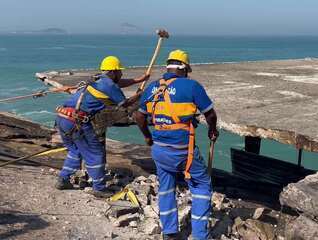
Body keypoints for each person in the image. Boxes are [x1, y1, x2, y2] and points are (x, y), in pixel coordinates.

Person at [134, 49, 219, 240]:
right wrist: (212, 130)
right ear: (185, 68)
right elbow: (210, 114)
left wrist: (148, 137)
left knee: (166, 188)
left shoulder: (153, 87)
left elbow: (139, 116)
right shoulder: (191, 86)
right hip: (183, 151)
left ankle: (170, 232)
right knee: (201, 186)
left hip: (159, 150)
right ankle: (199, 234)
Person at [55, 56, 149, 198]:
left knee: (75, 151)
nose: (121, 74)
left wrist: (138, 80)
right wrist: (140, 95)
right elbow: (124, 104)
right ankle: (99, 187)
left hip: (62, 118)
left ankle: (63, 179)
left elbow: (118, 83)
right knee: (95, 153)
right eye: (119, 71)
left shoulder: (97, 78)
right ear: (113, 71)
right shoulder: (110, 86)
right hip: (78, 121)